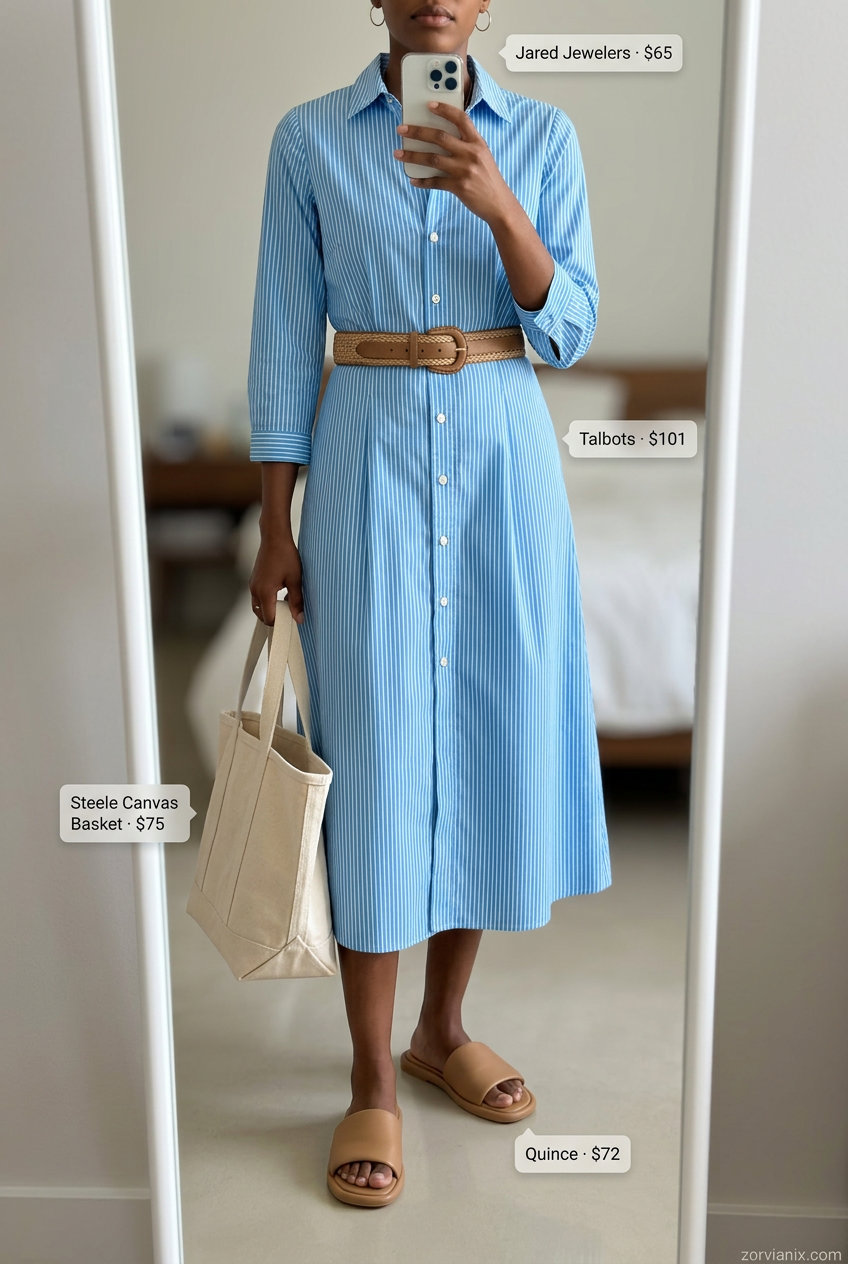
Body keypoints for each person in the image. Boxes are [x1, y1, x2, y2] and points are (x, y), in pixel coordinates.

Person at [247, 0, 612, 1208]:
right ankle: (370, 1072)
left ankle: (440, 1027)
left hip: (504, 467)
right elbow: (285, 332)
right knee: (379, 753)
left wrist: (494, 197)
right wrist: (273, 518)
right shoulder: (308, 138)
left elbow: (562, 331)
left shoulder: (544, 134)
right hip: (366, 472)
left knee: (488, 748)